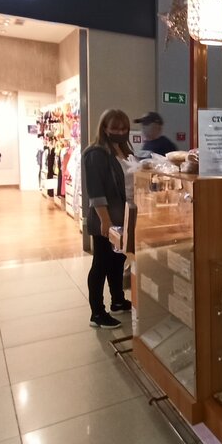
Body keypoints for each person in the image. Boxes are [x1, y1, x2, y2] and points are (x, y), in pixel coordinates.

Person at [82, 109, 134, 329]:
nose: (120, 132)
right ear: (104, 128)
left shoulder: (125, 150)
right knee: (101, 263)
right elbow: (96, 192)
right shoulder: (96, 154)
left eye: (124, 129)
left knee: (117, 260)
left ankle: (118, 300)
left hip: (124, 216)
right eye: (115, 128)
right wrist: (105, 220)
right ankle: (97, 313)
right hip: (107, 218)